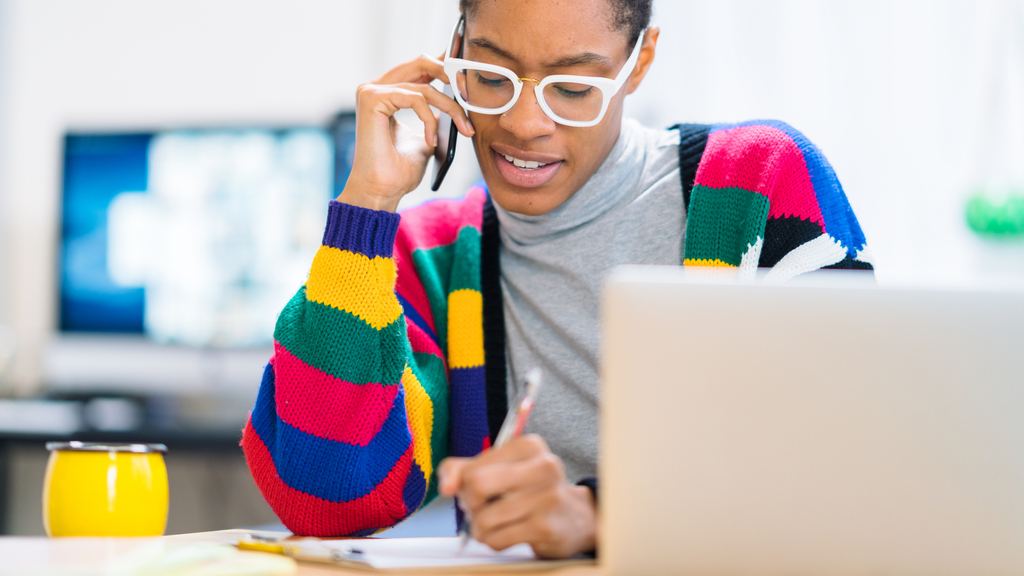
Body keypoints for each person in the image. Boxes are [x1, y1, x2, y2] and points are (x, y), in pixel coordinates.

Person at [241, 0, 873, 559]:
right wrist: (367, 206)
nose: (523, 123)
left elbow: (848, 463)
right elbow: (323, 500)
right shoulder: (431, 256)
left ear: (639, 61)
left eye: (572, 89)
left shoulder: (760, 183)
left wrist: (598, 517)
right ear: (454, 50)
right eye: (489, 76)